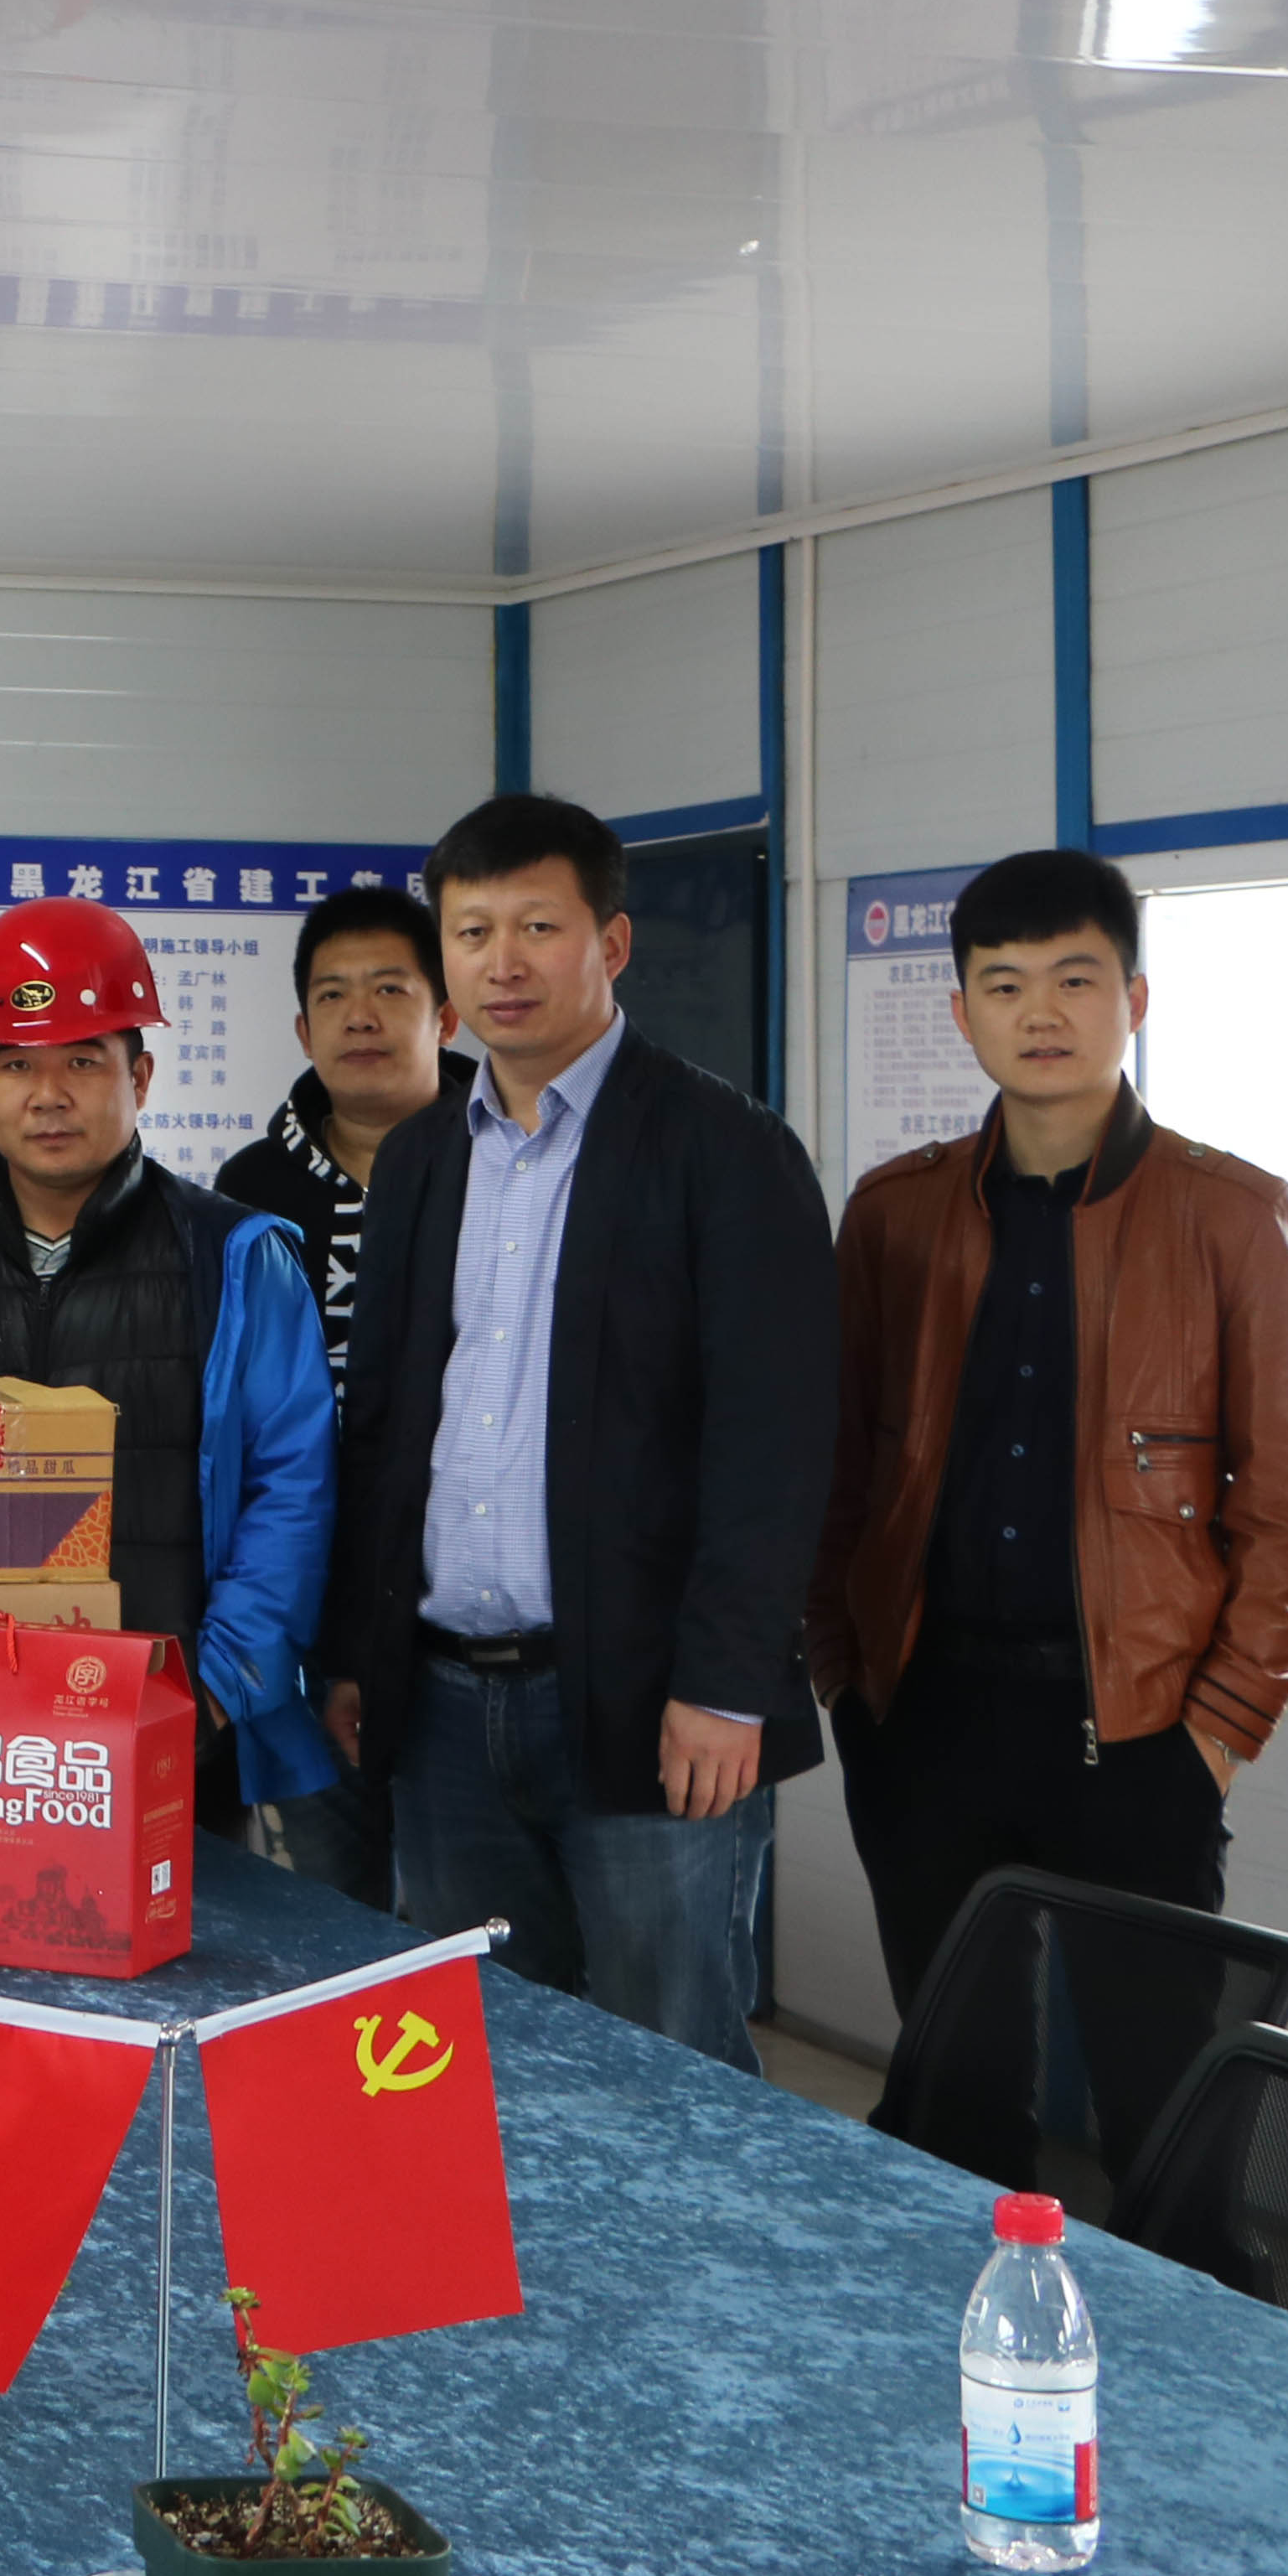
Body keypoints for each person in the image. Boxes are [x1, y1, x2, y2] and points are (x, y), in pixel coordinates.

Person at [810, 847, 1288, 2165]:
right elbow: (838, 1469)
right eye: (1004, 984)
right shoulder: (895, 1213)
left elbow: (1287, 1513)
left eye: (1075, 980)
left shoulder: (1235, 1217)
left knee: (1164, 2097)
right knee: (954, 2087)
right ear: (961, 1012)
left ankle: (1198, 2300)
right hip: (922, 1713)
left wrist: (1217, 1730)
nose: (1040, 1013)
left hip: (1139, 1729)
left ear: (1134, 1001)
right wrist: (842, 1671)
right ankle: (977, 2290)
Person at [320, 792, 837, 2071]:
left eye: (538, 927)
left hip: (651, 1706)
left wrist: (725, 1686)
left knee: (671, 2061)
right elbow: (380, 1427)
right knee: (475, 2064)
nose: (503, 961)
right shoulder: (424, 1157)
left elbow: (774, 1452)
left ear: (611, 943)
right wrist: (356, 1653)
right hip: (443, 1707)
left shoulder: (727, 1151)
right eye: (473, 931)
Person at [0, 898, 342, 1840]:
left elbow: (293, 1484)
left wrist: (212, 1691)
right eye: (16, 1063)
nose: (47, 1094)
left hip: (170, 1734)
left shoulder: (232, 1259)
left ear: (138, 1074)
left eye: (82, 1061)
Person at [212, 879, 468, 1911]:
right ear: (302, 1027)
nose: (360, 1016)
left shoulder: (510, 1163)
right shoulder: (247, 1190)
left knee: (470, 1921)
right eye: (333, 995)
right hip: (303, 1620)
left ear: (445, 1016)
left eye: (390, 989)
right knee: (331, 1917)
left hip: (466, 1627)